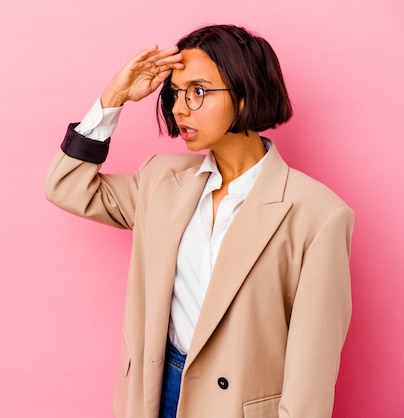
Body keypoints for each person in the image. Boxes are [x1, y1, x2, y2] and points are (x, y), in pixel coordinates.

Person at [45, 24, 354, 418]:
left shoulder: (318, 214)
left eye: (198, 91)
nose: (178, 108)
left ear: (244, 95)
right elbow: (66, 185)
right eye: (176, 92)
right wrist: (114, 98)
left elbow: (312, 372)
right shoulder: (161, 180)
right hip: (155, 392)